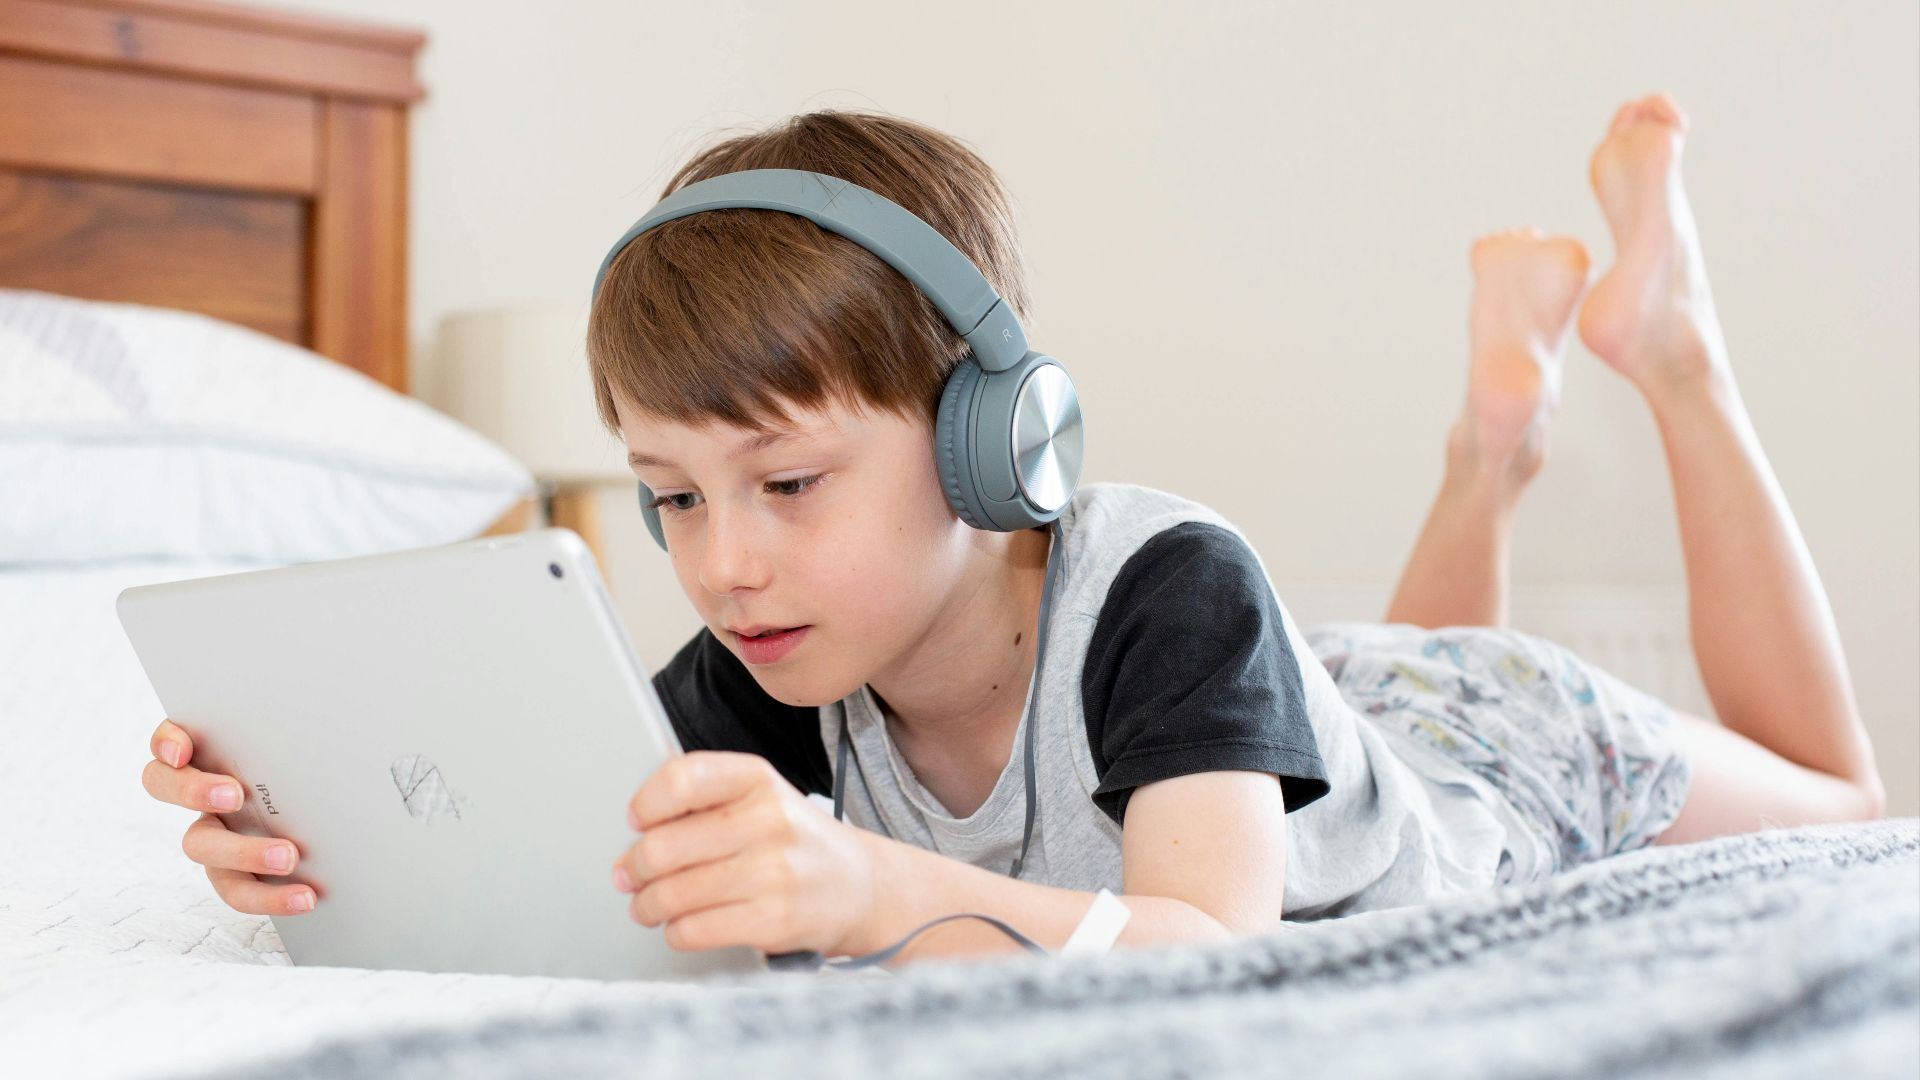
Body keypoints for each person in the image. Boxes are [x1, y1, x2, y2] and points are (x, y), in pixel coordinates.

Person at [140, 93, 1886, 969]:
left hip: (1492, 762)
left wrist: (884, 886)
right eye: (672, 496)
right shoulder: (760, 659)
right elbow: (583, 894)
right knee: (1375, 688)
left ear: (997, 444)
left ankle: (1672, 355)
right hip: (1321, 723)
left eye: (789, 484)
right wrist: (310, 856)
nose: (722, 561)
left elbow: (1201, 950)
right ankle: (1494, 440)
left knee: (1846, 799)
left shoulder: (1175, 583)